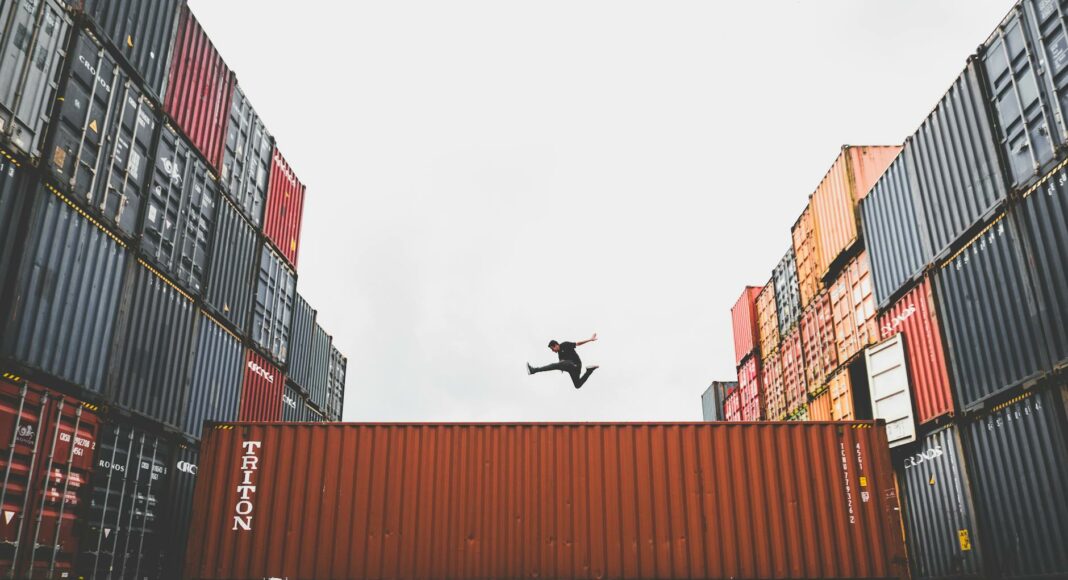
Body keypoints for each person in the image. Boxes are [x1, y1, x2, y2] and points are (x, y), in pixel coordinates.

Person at [527, 333, 599, 389]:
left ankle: (534, 370)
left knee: (554, 365)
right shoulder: (559, 355)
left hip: (575, 364)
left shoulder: (565, 344)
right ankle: (589, 370)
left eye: (552, 349)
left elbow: (578, 343)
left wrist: (590, 339)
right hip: (572, 370)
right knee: (577, 385)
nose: (553, 351)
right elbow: (562, 364)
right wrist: (561, 366)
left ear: (556, 345)